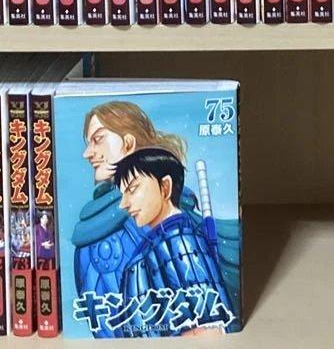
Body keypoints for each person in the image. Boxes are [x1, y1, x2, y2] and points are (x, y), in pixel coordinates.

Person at [71, 102, 239, 333]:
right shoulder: (131, 232)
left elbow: (206, 326)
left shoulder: (177, 237)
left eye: (98, 139)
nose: (87, 153)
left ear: (128, 143)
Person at [113, 148, 237, 335]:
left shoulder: (180, 244)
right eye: (124, 193)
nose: (123, 204)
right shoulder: (158, 245)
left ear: (165, 187)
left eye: (132, 189)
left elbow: (206, 330)